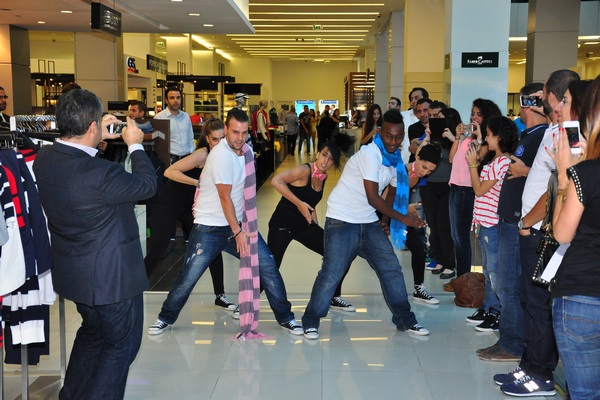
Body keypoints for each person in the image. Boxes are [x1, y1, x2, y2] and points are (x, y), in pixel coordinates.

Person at [33, 89, 157, 400]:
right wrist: (135, 146)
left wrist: (98, 139)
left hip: (76, 275)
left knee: (92, 335)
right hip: (112, 281)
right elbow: (147, 185)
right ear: (91, 127)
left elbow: (82, 172)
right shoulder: (103, 174)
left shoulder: (44, 158)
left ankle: (71, 395)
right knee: (121, 345)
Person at [148, 108, 302, 337]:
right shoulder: (220, 155)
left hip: (238, 225)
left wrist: (241, 228)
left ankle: (286, 318)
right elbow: (224, 197)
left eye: (243, 132)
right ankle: (165, 317)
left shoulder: (247, 153)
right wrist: (238, 232)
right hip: (209, 228)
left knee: (268, 267)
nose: (239, 137)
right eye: (234, 132)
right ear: (227, 130)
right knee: (188, 278)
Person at [301, 109, 430, 340]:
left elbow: (390, 191)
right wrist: (403, 218)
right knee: (331, 273)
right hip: (342, 219)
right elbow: (373, 196)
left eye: (398, 136)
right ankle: (311, 321)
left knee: (391, 268)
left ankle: (405, 319)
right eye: (389, 136)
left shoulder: (396, 160)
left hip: (368, 221)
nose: (393, 141)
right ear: (381, 133)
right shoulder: (370, 154)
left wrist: (385, 220)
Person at [495, 69, 579, 398]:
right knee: (531, 300)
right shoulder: (555, 130)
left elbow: (562, 187)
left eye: (545, 94)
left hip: (542, 230)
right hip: (534, 228)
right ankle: (529, 366)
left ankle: (540, 374)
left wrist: (527, 222)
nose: (542, 100)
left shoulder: (571, 135)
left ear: (555, 97)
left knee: (538, 303)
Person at [476, 83, 548, 362]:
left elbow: (554, 180)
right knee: (506, 284)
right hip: (508, 219)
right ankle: (508, 339)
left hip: (519, 222)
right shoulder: (528, 135)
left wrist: (525, 171)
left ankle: (513, 344)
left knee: (509, 285)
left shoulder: (543, 136)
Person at [144, 119, 236, 311]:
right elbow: (170, 171)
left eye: (222, 138)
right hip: (169, 203)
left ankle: (220, 295)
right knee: (158, 249)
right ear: (207, 139)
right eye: (214, 139)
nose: (218, 143)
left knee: (212, 247)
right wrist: (197, 183)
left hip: (190, 208)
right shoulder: (202, 154)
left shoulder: (225, 155)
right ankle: (135, 288)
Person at [550, 75, 600, 400]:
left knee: (584, 394)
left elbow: (561, 231)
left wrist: (566, 175)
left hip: (583, 297)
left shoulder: (585, 174)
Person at [268, 134, 356, 311]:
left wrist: (314, 219)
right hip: (282, 225)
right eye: (324, 154)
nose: (326, 161)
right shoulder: (305, 170)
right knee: (271, 267)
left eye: (331, 159)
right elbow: (276, 181)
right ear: (317, 153)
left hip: (303, 226)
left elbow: (310, 201)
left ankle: (333, 296)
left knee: (339, 253)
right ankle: (246, 304)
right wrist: (299, 203)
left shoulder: (321, 177)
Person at [465, 116, 518, 334]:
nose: (486, 138)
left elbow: (479, 190)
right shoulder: (495, 160)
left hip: (493, 224)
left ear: (499, 137)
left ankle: (497, 313)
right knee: (488, 269)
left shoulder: (503, 162)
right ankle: (489, 308)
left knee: (494, 272)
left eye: (488, 134)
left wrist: (472, 166)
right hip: (485, 223)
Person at [448, 98, 502, 279]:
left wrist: (479, 138)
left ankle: (463, 278)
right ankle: (461, 277)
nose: (474, 118)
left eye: (479, 114)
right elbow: (451, 158)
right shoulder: (468, 138)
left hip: (466, 189)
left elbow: (479, 162)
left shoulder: (486, 141)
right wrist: (457, 137)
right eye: (473, 114)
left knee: (462, 237)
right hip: (455, 187)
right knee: (456, 236)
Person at [405, 143, 442, 304]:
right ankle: (334, 295)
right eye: (424, 167)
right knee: (351, 251)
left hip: (399, 216)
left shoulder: (417, 176)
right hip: (380, 215)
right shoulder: (401, 171)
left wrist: (408, 210)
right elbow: (384, 199)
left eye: (429, 171)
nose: (425, 172)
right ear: (417, 157)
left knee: (419, 249)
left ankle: (419, 288)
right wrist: (406, 209)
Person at [154, 87, 195, 165]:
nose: (176, 100)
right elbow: (158, 143)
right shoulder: (159, 117)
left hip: (187, 158)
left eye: (178, 98)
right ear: (166, 100)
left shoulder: (185, 116)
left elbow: (190, 136)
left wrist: (192, 153)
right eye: (172, 98)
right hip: (170, 159)